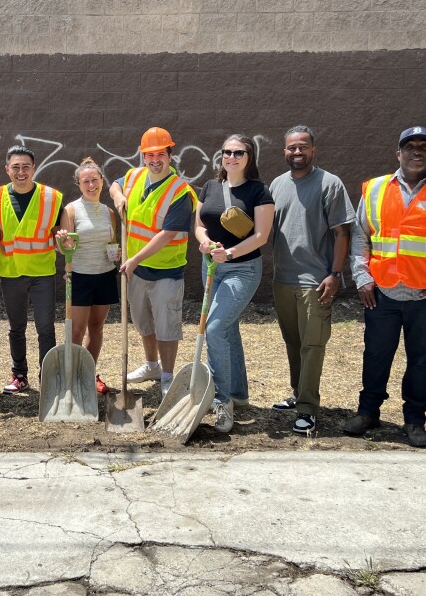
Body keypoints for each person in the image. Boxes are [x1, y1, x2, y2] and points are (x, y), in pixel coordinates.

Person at [343, 126, 426, 447]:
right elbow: (361, 236)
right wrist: (362, 277)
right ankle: (368, 412)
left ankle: (415, 421)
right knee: (375, 355)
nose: (417, 151)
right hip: (382, 293)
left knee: (420, 360)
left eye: (424, 146)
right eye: (410, 146)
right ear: (398, 153)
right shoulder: (374, 190)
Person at [269, 126, 355, 436]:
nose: (297, 152)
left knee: (313, 345)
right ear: (284, 151)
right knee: (293, 343)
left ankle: (307, 409)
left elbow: (342, 232)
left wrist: (334, 274)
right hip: (283, 279)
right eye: (291, 147)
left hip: (316, 281)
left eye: (302, 147)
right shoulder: (277, 185)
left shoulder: (329, 184)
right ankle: (296, 394)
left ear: (313, 150)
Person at [194, 135, 274, 433]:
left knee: (214, 327)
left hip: (242, 269)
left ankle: (222, 400)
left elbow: (261, 236)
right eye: (226, 152)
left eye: (238, 152)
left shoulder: (259, 191)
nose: (231, 157)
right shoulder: (210, 187)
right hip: (212, 267)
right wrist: (204, 243)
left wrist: (228, 253)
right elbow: (200, 224)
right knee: (229, 328)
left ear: (248, 157)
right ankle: (239, 394)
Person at [110, 127, 197, 397]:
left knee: (166, 326)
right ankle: (151, 366)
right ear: (143, 155)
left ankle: (168, 376)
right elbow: (114, 184)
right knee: (142, 321)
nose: (155, 159)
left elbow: (167, 234)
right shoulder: (134, 176)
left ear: (171, 155)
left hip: (165, 272)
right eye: (149, 154)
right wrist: (118, 197)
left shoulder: (180, 191)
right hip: (136, 270)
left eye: (161, 154)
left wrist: (133, 259)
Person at [0, 145, 63, 394]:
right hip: (11, 272)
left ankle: (49, 377)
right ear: (7, 169)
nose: (21, 172)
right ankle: (19, 375)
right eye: (16, 167)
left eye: (26, 167)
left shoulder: (52, 197)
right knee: (17, 327)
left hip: (42, 271)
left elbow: (59, 231)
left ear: (34, 168)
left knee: (46, 327)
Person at [56, 158, 120, 394]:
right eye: (86, 181)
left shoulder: (109, 212)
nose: (91, 185)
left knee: (97, 327)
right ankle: (70, 374)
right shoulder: (71, 210)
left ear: (102, 182)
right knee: (76, 330)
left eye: (95, 180)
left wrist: (116, 254)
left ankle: (88, 374)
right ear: (79, 184)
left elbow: (111, 243)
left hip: (104, 275)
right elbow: (64, 247)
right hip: (80, 276)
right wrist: (63, 242)